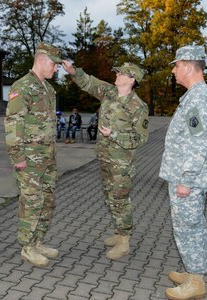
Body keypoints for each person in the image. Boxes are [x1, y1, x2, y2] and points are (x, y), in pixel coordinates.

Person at [62, 60, 149, 260]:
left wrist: (114, 135)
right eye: (117, 72)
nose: (116, 75)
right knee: (110, 197)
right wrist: (74, 70)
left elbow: (141, 138)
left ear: (132, 79)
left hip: (121, 163)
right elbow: (89, 83)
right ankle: (119, 233)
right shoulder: (109, 92)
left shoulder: (138, 106)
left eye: (121, 73)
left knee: (120, 200)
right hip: (104, 157)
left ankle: (124, 240)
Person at [159, 45, 207, 300]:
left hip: (188, 180)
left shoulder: (198, 98)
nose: (174, 71)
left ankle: (196, 280)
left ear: (186, 65)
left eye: (175, 66)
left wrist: (186, 180)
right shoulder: (196, 96)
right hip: (188, 177)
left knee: (189, 227)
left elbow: (197, 144)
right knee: (191, 225)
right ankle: (195, 273)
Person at [4, 42, 62, 268]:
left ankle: (38, 241)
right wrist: (17, 156)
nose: (56, 69)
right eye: (54, 64)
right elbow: (13, 124)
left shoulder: (47, 88)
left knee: (46, 200)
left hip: (47, 157)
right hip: (28, 159)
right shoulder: (23, 86)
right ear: (41, 59)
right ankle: (27, 247)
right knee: (31, 202)